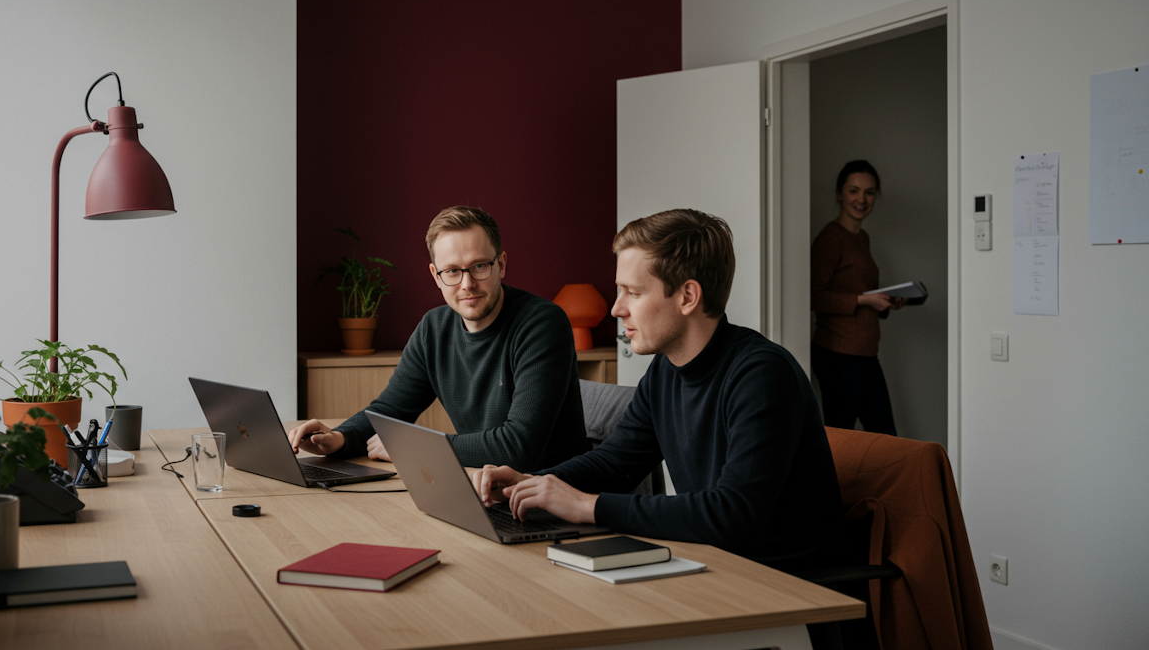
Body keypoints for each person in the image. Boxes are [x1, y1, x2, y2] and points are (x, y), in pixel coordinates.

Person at [471, 209, 842, 573]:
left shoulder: (762, 375)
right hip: (717, 566)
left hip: (784, 585)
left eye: (632, 292)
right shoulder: (666, 370)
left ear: (687, 297)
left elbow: (733, 514)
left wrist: (587, 507)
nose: (617, 309)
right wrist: (532, 483)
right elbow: (615, 462)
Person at [288, 206, 591, 472]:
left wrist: (414, 448)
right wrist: (339, 438)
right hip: (483, 485)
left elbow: (519, 448)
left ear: (501, 264)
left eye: (479, 266)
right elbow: (391, 410)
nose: (467, 284)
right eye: (452, 271)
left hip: (550, 496)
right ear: (436, 275)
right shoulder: (435, 328)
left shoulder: (541, 324)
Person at [810, 160, 906, 436]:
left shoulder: (861, 238)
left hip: (864, 353)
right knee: (842, 438)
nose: (861, 199)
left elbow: (859, 291)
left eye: (869, 192)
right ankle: (833, 482)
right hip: (837, 355)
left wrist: (885, 302)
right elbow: (815, 297)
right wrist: (865, 301)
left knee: (885, 436)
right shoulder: (830, 238)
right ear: (840, 193)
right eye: (854, 191)